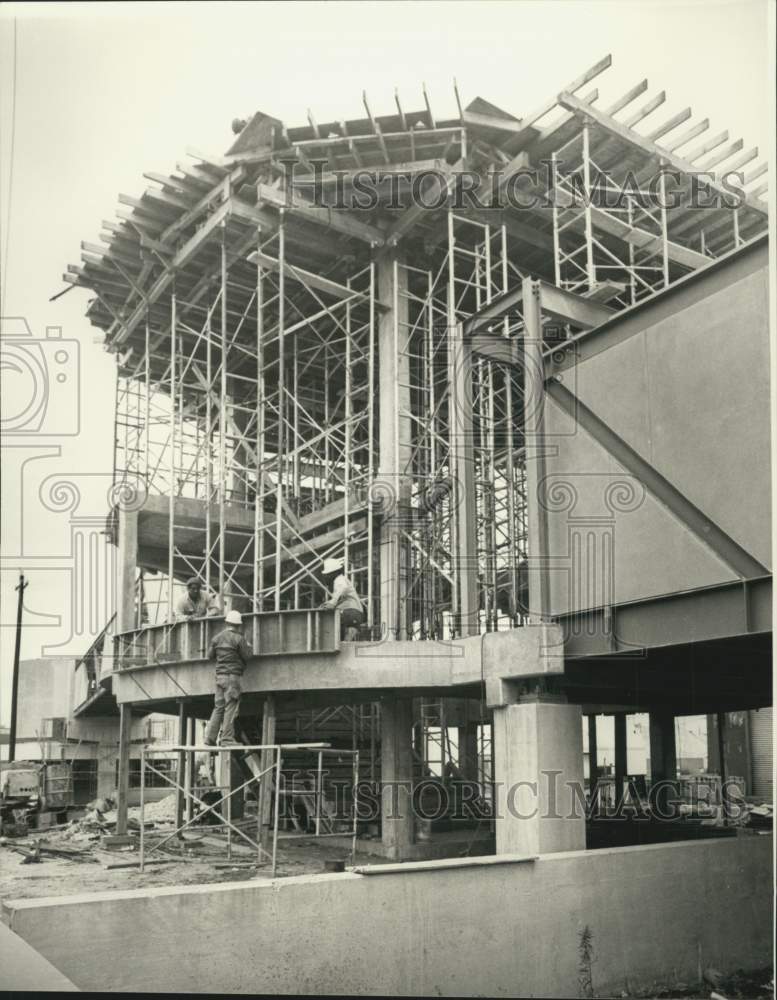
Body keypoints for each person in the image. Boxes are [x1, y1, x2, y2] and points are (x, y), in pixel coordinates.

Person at [204, 610, 252, 747]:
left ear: (226, 623)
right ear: (239, 625)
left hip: (219, 677)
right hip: (232, 678)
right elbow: (248, 656)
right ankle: (226, 739)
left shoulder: (217, 638)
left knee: (218, 707)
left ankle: (210, 738)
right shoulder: (239, 639)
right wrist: (249, 646)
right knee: (231, 707)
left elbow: (209, 656)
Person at [319, 557, 364, 640]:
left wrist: (332, 603)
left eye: (327, 575)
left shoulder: (338, 579)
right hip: (356, 613)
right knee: (346, 642)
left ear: (333, 573)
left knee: (327, 621)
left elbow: (342, 588)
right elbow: (340, 595)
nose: (327, 577)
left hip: (349, 612)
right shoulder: (342, 580)